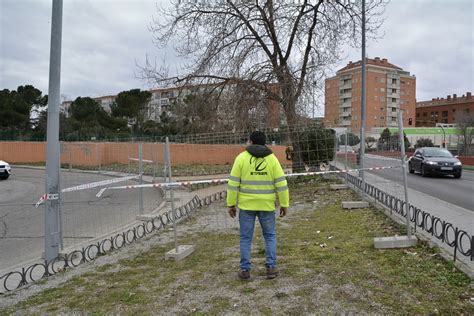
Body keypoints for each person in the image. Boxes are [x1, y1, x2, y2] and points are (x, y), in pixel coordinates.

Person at [227, 131, 290, 280]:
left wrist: (231, 204)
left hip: (246, 206)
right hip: (267, 206)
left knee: (245, 238)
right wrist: (284, 204)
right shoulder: (272, 159)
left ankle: (245, 270)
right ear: (265, 142)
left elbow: (233, 183)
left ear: (250, 141)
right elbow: (281, 183)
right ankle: (271, 267)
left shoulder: (241, 158)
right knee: (269, 236)